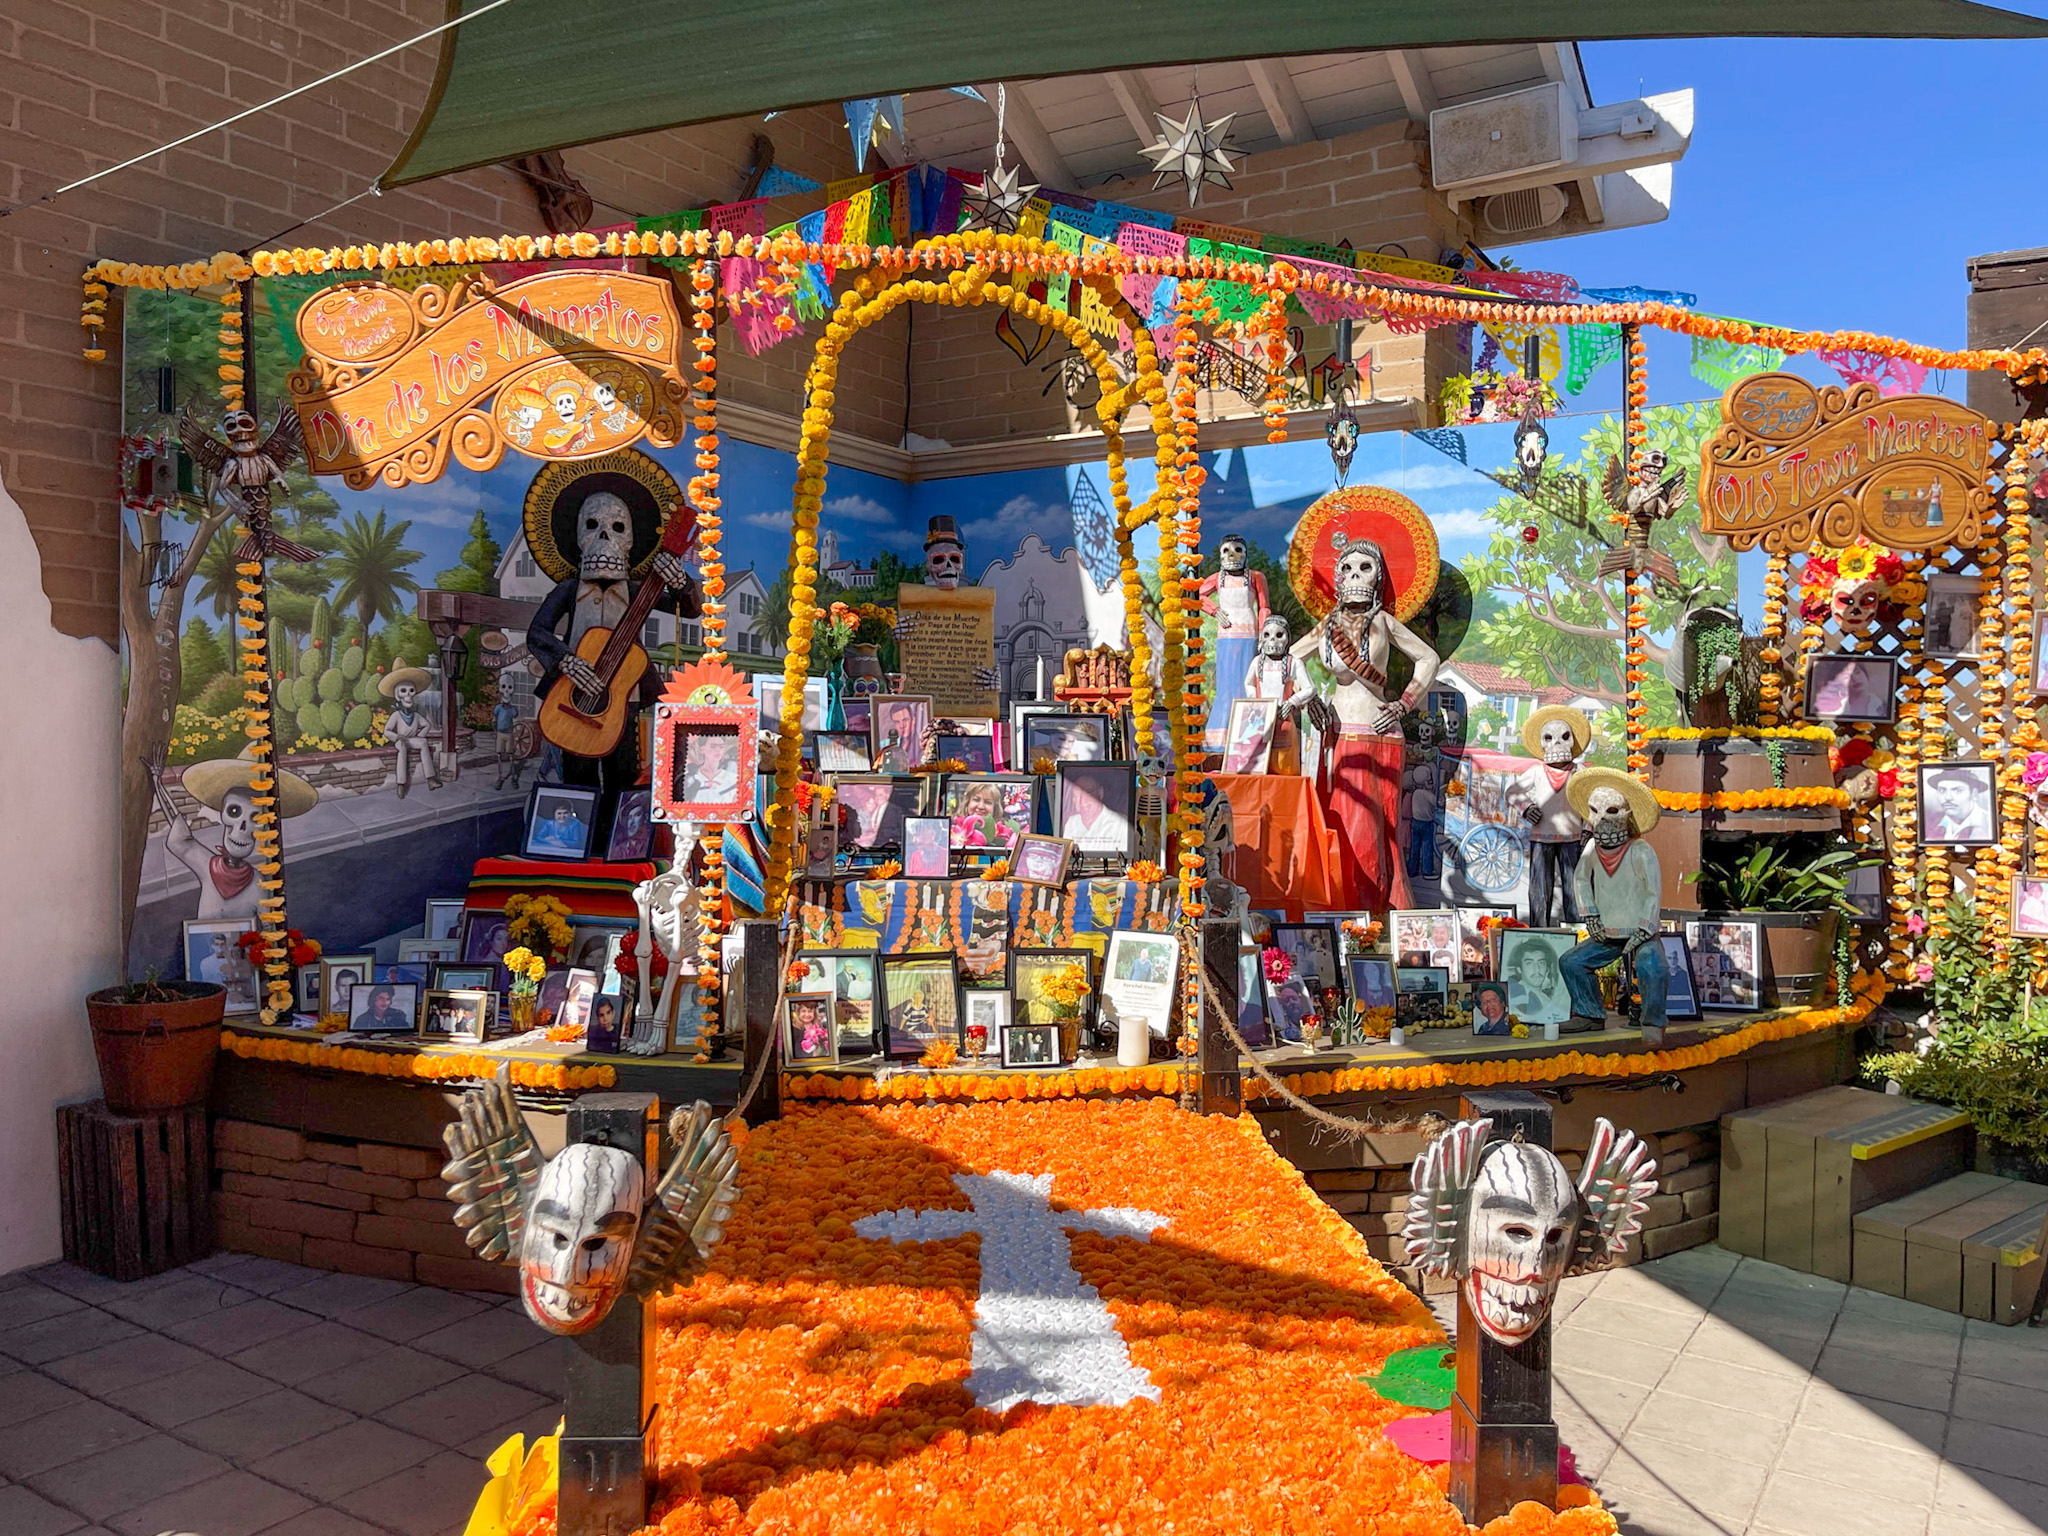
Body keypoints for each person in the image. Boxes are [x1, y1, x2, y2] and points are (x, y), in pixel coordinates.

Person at [1559, 768, 1670, 1040]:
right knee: (1571, 962)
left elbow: (1654, 893)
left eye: (1611, 810)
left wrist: (1645, 928)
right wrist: (1591, 916)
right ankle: (1590, 1014)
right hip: (1607, 934)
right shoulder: (1591, 850)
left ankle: (1653, 1022)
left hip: (1640, 933)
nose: (1602, 819)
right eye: (1595, 811)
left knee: (1652, 967)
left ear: (1627, 814)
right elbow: (1581, 879)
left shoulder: (1641, 851)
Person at [1509, 705, 1592, 927]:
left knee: (1574, 889)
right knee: (1539, 890)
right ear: (1542, 742)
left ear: (1572, 741)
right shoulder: (1537, 771)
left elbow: (1590, 802)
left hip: (1572, 839)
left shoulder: (1579, 771)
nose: (1556, 744)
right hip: (1541, 839)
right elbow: (1512, 792)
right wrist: (1526, 807)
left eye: (1564, 737)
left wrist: (1588, 829)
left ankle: (1578, 930)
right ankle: (1539, 931)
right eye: (1550, 738)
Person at [1198, 535, 1273, 750]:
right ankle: (1220, 739)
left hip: (1250, 636)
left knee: (1247, 682)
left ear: (1246, 553)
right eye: (1227, 550)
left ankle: (1248, 737)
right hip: (1226, 637)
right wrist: (1215, 610)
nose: (1232, 555)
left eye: (1238, 549)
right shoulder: (1216, 578)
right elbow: (1196, 594)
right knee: (1226, 683)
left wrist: (1263, 634)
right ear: (1220, 555)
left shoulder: (1256, 577)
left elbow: (1264, 606)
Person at [379, 666, 441, 799]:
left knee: (423, 743)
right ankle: (401, 784)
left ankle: (431, 779)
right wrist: (397, 737)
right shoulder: (396, 715)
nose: (408, 695)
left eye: (411, 691)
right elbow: (387, 731)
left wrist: (420, 736)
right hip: (401, 741)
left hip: (412, 739)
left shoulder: (416, 715)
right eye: (403, 691)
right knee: (402, 748)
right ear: (397, 695)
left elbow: (427, 725)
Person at [1061, 774, 1124, 852]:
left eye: (1088, 792)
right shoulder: (1071, 823)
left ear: (1100, 793)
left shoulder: (1120, 824)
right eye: (1076, 795)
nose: (1082, 801)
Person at [1927, 768, 1991, 843]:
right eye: (1942, 790)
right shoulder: (1933, 823)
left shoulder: (1989, 823)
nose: (1948, 797)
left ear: (1974, 794)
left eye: (1958, 790)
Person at [951, 782, 1012, 850]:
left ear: (995, 808)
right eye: (976, 800)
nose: (981, 806)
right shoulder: (952, 830)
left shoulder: (1002, 834)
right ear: (967, 803)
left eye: (987, 802)